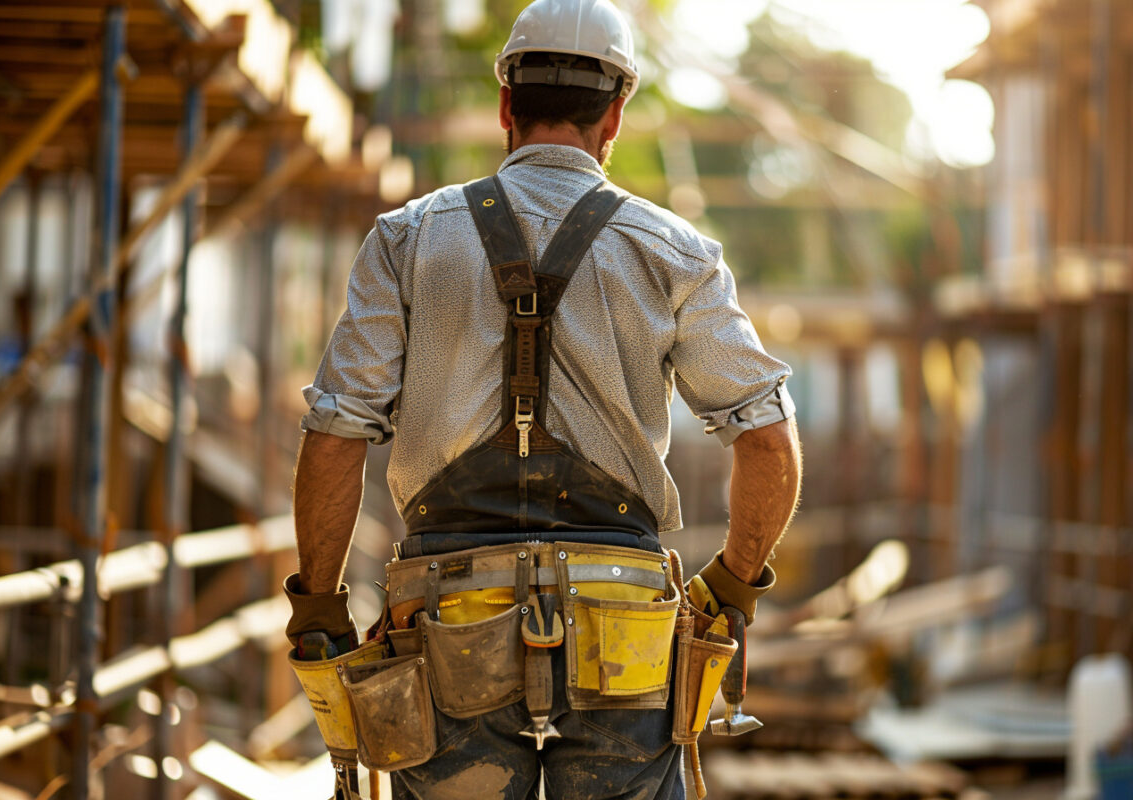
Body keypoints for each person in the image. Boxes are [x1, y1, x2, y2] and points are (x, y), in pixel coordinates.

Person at [285, 1, 801, 797]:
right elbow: (768, 444)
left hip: (448, 617)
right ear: (617, 115)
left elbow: (335, 434)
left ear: (504, 107)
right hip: (620, 624)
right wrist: (731, 586)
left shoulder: (406, 239)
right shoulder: (677, 254)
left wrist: (319, 605)